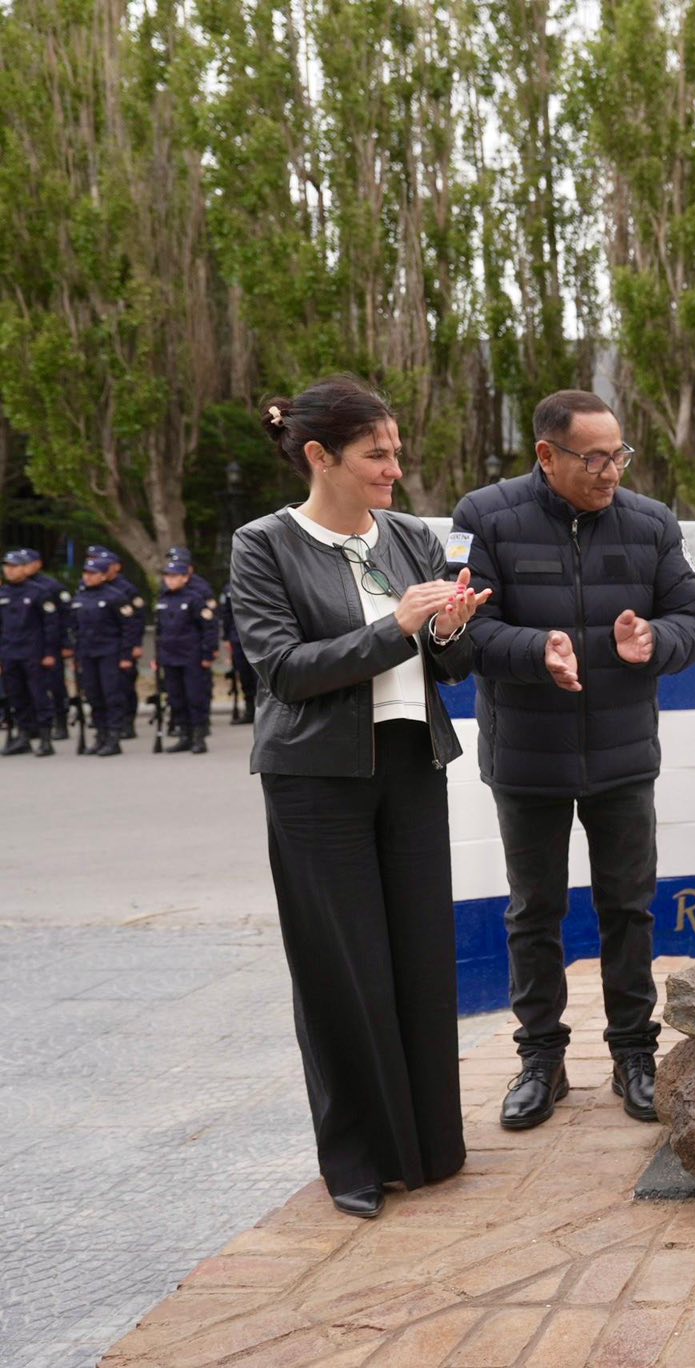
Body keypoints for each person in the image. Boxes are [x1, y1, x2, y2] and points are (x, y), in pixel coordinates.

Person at [229, 376, 488, 1219]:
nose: (394, 469)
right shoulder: (264, 544)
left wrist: (449, 629)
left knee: (421, 958)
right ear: (320, 456)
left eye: (396, 452)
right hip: (315, 780)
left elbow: (450, 665)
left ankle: (431, 1148)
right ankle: (359, 1163)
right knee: (343, 971)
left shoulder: (410, 536)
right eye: (377, 454)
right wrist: (397, 627)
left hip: (412, 763)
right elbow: (285, 671)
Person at [452, 389, 695, 1130]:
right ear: (547, 454)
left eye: (618, 455)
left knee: (628, 909)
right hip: (526, 757)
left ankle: (635, 1054)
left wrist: (657, 641)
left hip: (623, 755)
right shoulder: (484, 517)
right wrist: (536, 649)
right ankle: (541, 1060)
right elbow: (464, 630)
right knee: (533, 911)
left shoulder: (652, 523)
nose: (611, 472)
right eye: (593, 459)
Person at [72, 553, 145, 755]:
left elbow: (128, 628)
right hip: (88, 653)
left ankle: (114, 737)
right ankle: (100, 735)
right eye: (86, 573)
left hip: (109, 653)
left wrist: (126, 655)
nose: (88, 577)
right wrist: (77, 655)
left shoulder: (115, 597)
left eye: (93, 573)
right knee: (93, 695)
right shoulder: (80, 597)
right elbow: (75, 628)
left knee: (111, 695)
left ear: (103, 576)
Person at [1, 548, 67, 757]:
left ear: (24, 569)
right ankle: (23, 736)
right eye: (7, 566)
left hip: (33, 652)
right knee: (16, 696)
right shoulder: (3, 594)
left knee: (39, 695)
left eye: (14, 566)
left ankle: (45, 738)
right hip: (10, 652)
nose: (9, 571)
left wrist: (49, 652)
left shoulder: (39, 592)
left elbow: (51, 625)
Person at [154, 560, 221, 753]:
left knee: (194, 696)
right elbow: (159, 631)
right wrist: (157, 656)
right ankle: (184, 735)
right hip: (170, 656)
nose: (170, 580)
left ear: (185, 578)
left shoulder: (195, 598)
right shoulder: (163, 600)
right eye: (167, 576)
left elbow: (208, 628)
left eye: (174, 576)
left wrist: (208, 653)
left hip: (191, 656)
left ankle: (199, 736)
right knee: (176, 697)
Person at [89, 546, 148, 737]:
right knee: (101, 689)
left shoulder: (126, 589)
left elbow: (136, 620)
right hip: (97, 647)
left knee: (124, 686)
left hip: (121, 646)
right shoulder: (88, 589)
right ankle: (106, 724)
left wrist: (135, 644)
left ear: (116, 567)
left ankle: (127, 722)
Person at [220, 585, 261, 723]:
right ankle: (250, 711)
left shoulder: (258, 582)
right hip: (237, 637)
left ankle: (263, 712)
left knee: (260, 676)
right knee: (244, 676)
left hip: (258, 637)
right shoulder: (229, 588)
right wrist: (226, 637)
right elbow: (226, 614)